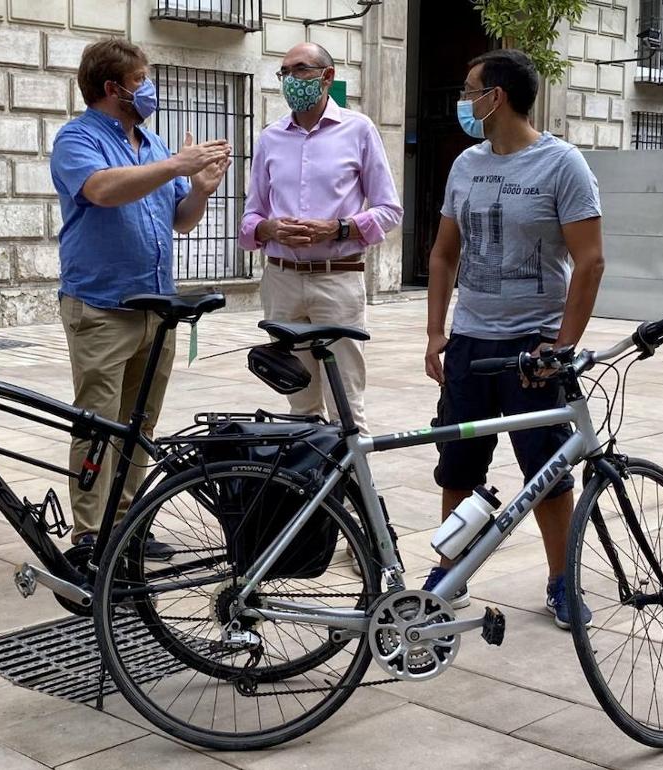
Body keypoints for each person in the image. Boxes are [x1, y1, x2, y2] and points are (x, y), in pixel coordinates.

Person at [424, 50, 605, 629]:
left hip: (534, 348)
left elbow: (591, 262)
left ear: (494, 97)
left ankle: (561, 581)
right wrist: (436, 332)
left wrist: (563, 344)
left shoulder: (563, 165)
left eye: (469, 89)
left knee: (548, 472)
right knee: (458, 467)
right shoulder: (465, 165)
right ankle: (450, 574)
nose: (464, 99)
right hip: (471, 343)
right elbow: (444, 253)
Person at [50, 39, 230, 554]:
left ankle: (126, 524)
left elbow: (181, 221)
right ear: (114, 87)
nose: (149, 88)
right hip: (102, 308)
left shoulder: (150, 145)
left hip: (158, 308)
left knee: (138, 425)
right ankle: (89, 535)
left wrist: (200, 188)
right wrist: (177, 166)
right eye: (142, 78)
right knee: (97, 423)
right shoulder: (77, 139)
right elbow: (103, 190)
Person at [239, 42, 402, 435]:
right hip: (282, 280)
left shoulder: (359, 130)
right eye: (285, 73)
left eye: (300, 70)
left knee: (346, 402)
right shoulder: (270, 138)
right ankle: (310, 493)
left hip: (338, 277)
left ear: (326, 77)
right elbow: (250, 218)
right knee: (299, 403)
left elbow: (389, 210)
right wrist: (270, 229)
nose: (291, 80)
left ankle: (353, 496)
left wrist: (338, 227)